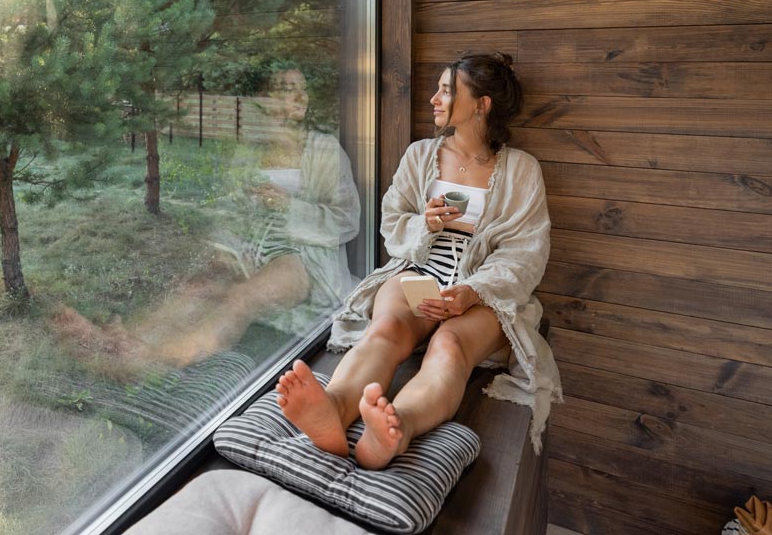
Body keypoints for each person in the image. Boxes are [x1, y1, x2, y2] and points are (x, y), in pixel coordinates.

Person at [274, 52, 560, 468]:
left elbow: (526, 253)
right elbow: (393, 223)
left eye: (447, 90)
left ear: (482, 104)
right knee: (386, 328)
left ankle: (396, 427)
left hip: (483, 291)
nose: (434, 99)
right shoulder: (420, 155)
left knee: (449, 345)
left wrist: (471, 292)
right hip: (419, 272)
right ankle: (334, 407)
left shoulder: (521, 171)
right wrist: (424, 223)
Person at [54, 68, 360, 372]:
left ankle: (151, 359)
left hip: (301, 255)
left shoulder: (324, 149)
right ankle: (118, 341)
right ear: (264, 99)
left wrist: (289, 206)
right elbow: (233, 207)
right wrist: (232, 245)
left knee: (241, 296)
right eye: (285, 88)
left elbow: (347, 219)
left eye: (302, 89)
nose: (298, 96)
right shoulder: (251, 148)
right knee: (198, 286)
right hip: (250, 243)